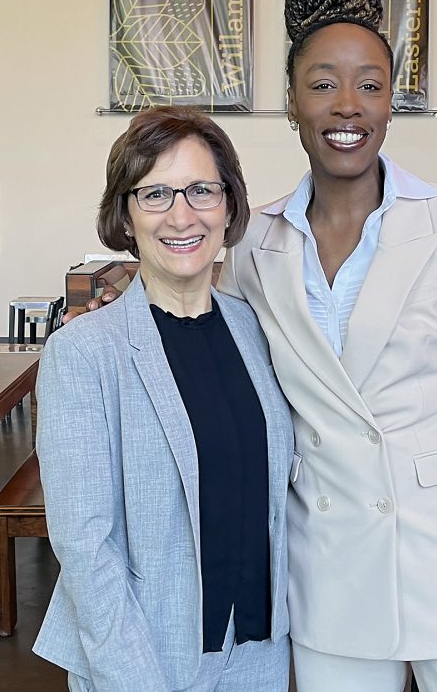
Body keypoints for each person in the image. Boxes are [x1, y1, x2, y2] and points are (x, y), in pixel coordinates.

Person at [75, 0, 437, 692]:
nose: (348, 106)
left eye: (370, 85)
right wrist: (122, 300)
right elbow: (199, 311)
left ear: (392, 101)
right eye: (323, 84)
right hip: (332, 572)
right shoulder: (253, 242)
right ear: (291, 101)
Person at [32, 106, 295, 692]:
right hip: (145, 649)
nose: (182, 215)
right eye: (155, 194)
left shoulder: (258, 330)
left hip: (258, 648)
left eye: (202, 190)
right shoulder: (84, 351)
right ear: (125, 215)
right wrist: (132, 677)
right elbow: (84, 545)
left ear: (228, 206)